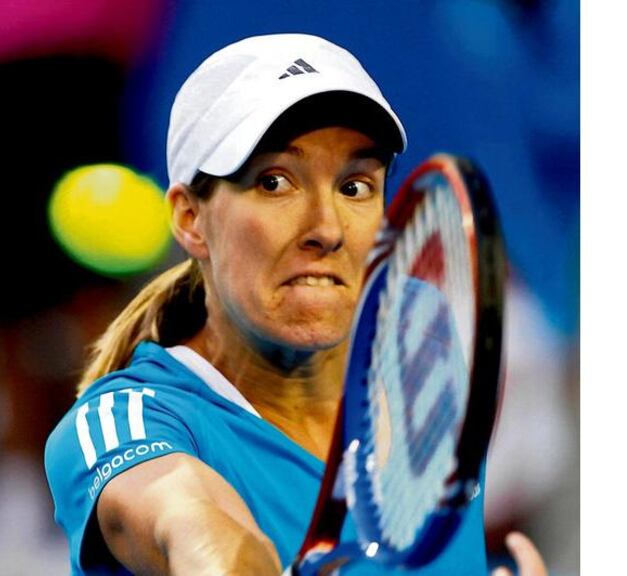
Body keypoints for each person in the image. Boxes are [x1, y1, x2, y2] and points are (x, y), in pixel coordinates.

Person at [44, 33, 547, 575]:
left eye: (355, 186)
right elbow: (190, 523)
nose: (327, 229)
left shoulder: (419, 335)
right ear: (191, 218)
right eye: (275, 182)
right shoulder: (125, 423)